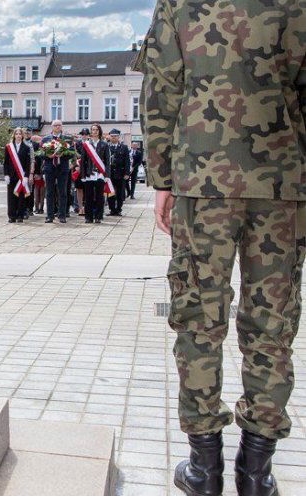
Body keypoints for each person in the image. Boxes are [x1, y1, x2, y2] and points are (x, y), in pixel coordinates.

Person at [137, 2, 304, 495]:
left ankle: (204, 469)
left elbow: (162, 89)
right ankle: (256, 471)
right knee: (272, 324)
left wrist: (162, 178)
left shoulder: (179, 4)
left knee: (198, 319)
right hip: (282, 185)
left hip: (202, 181)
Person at [41, 119, 72, 223]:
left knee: (62, 192)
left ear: (62, 126)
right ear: (52, 127)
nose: (57, 127)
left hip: (62, 168)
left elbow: (72, 153)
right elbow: (40, 154)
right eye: (55, 125)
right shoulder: (45, 139)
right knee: (49, 192)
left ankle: (62, 215)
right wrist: (47, 155)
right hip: (50, 168)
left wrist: (63, 154)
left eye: (59, 125)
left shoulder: (67, 139)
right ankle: (49, 216)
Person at [76, 127, 108, 224]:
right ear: (91, 132)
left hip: (100, 174)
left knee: (99, 197)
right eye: (93, 130)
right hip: (89, 174)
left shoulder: (104, 144)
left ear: (99, 132)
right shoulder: (87, 144)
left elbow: (107, 160)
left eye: (96, 130)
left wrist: (107, 175)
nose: (94, 131)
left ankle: (98, 216)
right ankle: (88, 217)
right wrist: (82, 175)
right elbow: (83, 161)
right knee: (88, 196)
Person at [2, 128, 32, 224]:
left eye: (20, 134)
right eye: (16, 134)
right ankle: (12, 216)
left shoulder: (26, 147)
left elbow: (28, 164)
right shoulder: (8, 147)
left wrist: (26, 176)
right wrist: (6, 174)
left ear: (22, 136)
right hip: (11, 176)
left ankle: (20, 215)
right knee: (11, 196)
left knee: (21, 197)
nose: (18, 135)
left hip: (21, 176)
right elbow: (6, 162)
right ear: (14, 135)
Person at [105, 128, 130, 216]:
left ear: (119, 137)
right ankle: (112, 209)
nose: (113, 138)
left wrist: (127, 173)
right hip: (109, 174)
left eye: (115, 136)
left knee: (120, 193)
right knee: (110, 192)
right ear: (109, 137)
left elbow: (127, 161)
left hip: (121, 173)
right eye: (112, 136)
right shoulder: (106, 146)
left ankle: (118, 209)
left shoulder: (124, 147)